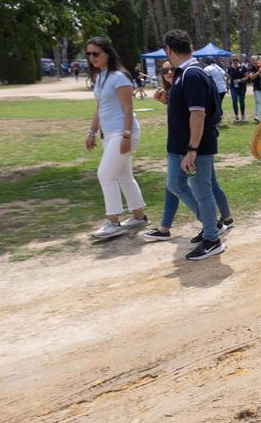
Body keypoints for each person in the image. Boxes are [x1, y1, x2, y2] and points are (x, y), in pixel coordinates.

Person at [153, 31, 225, 260]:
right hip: (183, 145)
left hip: (195, 146)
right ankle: (210, 225)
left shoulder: (192, 74)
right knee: (176, 184)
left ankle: (212, 238)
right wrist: (168, 99)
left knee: (202, 190)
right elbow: (187, 108)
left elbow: (198, 114)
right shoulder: (186, 74)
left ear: (169, 50)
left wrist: (192, 149)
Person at [83, 36, 148, 239]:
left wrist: (126, 136)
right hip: (109, 134)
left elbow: (128, 108)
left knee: (105, 175)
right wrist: (92, 132)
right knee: (123, 176)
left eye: (95, 53)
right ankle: (139, 217)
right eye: (88, 54)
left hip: (123, 132)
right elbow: (99, 107)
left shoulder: (120, 77)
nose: (92, 57)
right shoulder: (100, 76)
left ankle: (113, 222)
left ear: (107, 53)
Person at [227, 56, 248, 122]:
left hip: (242, 87)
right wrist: (227, 86)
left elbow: (247, 77)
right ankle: (236, 116)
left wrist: (241, 80)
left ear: (238, 60)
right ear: (232, 61)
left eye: (236, 60)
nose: (235, 61)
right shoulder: (229, 68)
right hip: (233, 87)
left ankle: (243, 116)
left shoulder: (243, 67)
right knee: (234, 101)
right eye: (233, 60)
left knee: (242, 102)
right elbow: (228, 78)